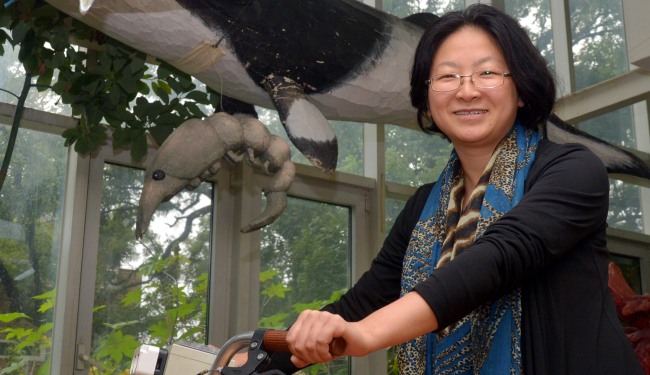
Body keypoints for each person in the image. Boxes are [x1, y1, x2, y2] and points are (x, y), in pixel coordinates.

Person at [267, 4, 643, 374]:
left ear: (522, 89)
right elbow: (364, 302)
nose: (467, 92)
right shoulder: (422, 206)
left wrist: (365, 335)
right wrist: (259, 357)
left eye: (488, 72)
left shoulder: (573, 169)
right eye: (447, 77)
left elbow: (498, 257)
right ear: (427, 98)